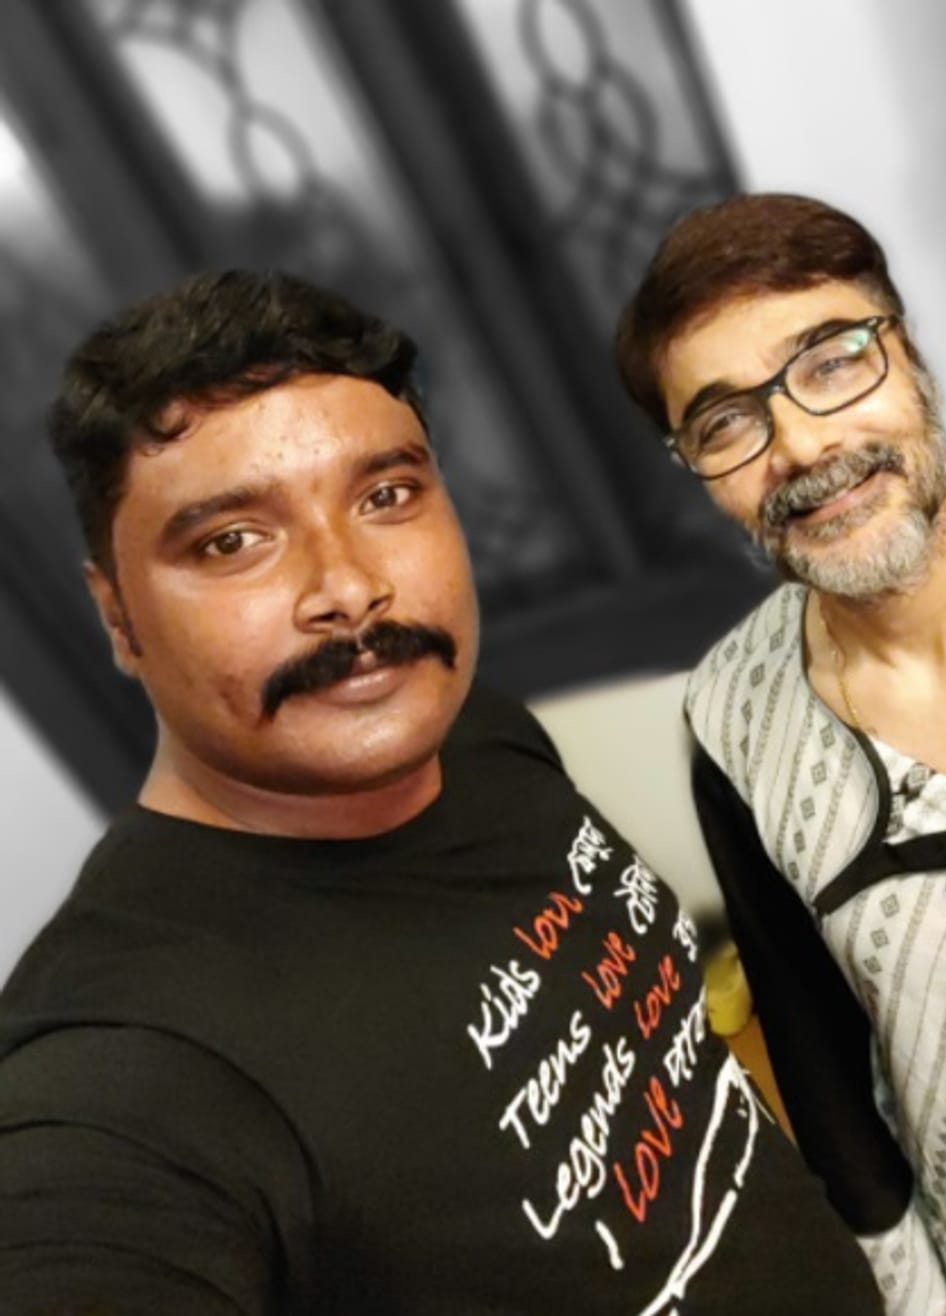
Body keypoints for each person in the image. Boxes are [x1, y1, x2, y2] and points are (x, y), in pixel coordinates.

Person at [0, 270, 882, 1314]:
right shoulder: (119, 1079)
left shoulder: (479, 734)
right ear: (117, 616)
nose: (348, 587)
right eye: (231, 540)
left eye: (385, 496)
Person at [615, 191, 946, 1315]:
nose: (804, 445)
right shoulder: (734, 719)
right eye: (726, 424)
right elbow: (826, 1088)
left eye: (831, 362)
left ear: (908, 357)